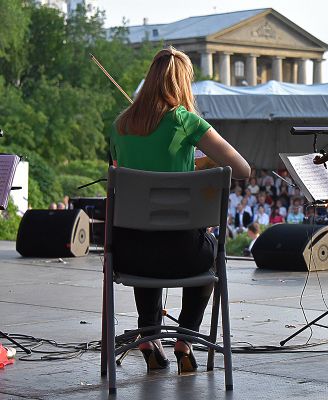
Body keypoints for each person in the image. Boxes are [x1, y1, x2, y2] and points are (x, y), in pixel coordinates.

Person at [109, 46, 250, 374]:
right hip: (184, 254)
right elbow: (242, 169)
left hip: (129, 254)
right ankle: (185, 339)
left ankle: (148, 334)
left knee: (146, 234)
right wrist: (203, 163)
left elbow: (124, 171)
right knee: (211, 252)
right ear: (181, 83)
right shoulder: (186, 122)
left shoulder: (120, 125)